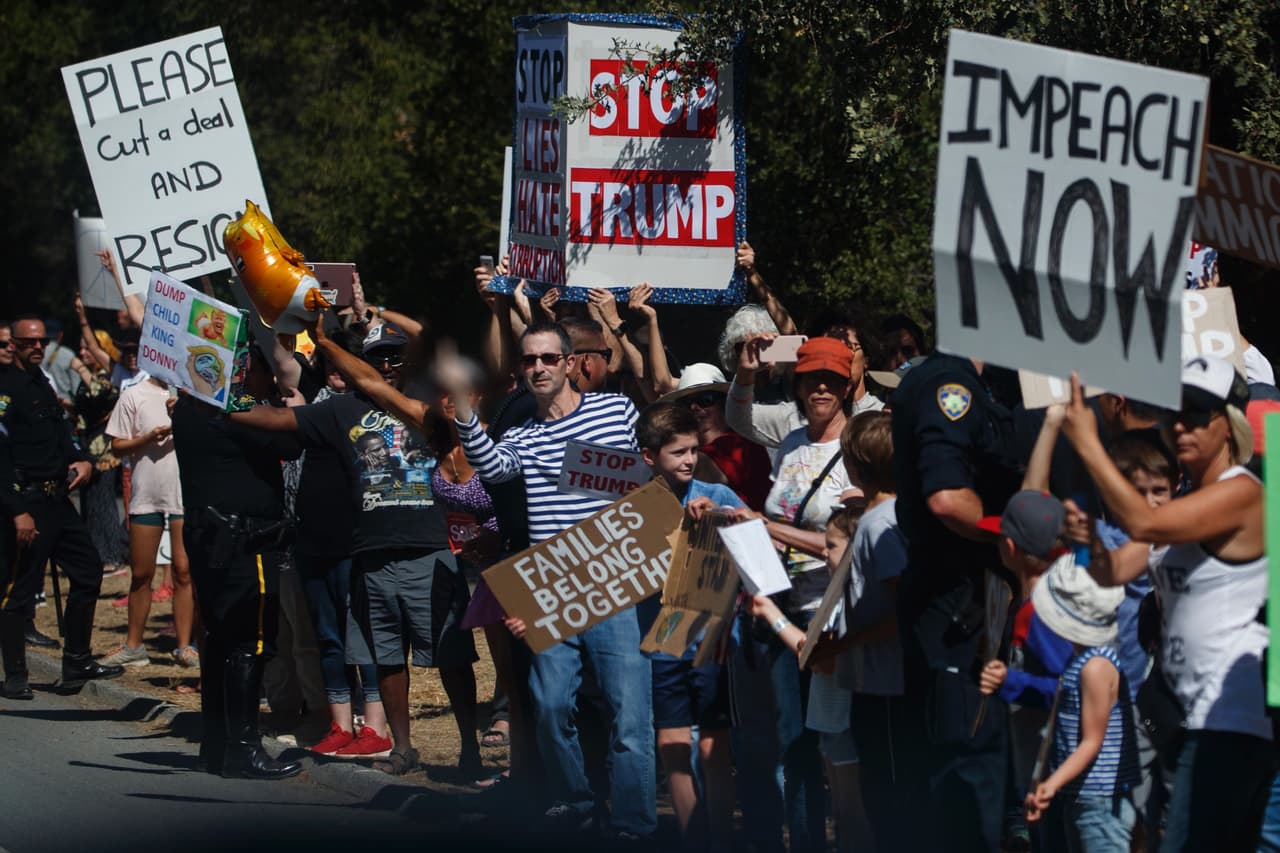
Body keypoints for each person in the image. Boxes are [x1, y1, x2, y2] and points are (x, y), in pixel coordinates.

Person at [438, 321, 655, 840]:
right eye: (529, 360)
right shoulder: (520, 436)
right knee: (551, 705)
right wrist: (465, 411)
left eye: (549, 359)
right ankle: (578, 799)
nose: (538, 368)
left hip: (613, 581)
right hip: (551, 588)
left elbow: (642, 477)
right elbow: (492, 466)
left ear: (570, 363)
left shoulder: (615, 410)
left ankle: (634, 826)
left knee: (630, 716)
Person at [233, 325, 481, 779]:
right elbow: (275, 419)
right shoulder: (341, 410)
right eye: (378, 357)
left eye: (395, 358)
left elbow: (421, 346)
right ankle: (402, 747)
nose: (387, 365)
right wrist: (217, 398)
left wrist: (325, 339)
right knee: (387, 658)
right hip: (370, 552)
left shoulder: (424, 410)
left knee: (452, 657)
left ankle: (471, 749)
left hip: (429, 549)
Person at [1060, 355, 1272, 851]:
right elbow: (1114, 570)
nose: (1181, 427)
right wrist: (1089, 535)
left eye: (1197, 415)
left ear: (1228, 425)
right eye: (1174, 412)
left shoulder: (1241, 492)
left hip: (1228, 719)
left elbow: (1145, 526)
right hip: (1181, 712)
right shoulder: (1185, 503)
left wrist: (1088, 442)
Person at [889, 350, 1022, 852]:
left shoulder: (990, 383)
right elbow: (948, 498)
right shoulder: (950, 385)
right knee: (969, 764)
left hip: (969, 592)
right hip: (957, 599)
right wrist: (1012, 538)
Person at [733, 336, 860, 853]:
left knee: (839, 748)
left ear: (849, 384)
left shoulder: (860, 448)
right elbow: (739, 418)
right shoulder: (789, 444)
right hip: (783, 609)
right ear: (799, 385)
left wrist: (767, 527)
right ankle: (806, 841)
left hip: (834, 619)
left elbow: (847, 543)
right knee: (794, 742)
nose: (821, 388)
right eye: (811, 379)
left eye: (831, 378)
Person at [171, 348, 304, 779]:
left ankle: (216, 743)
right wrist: (292, 403)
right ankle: (244, 748)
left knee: (221, 639)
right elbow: (289, 440)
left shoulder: (188, 405)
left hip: (209, 535)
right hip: (245, 539)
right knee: (251, 641)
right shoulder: (235, 405)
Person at [0, 316, 124, 698]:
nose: (37, 347)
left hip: (58, 498)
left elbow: (62, 437)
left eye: (42, 341)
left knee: (88, 571)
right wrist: (17, 509)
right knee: (19, 591)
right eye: (28, 342)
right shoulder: (6, 389)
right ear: (14, 345)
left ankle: (77, 660)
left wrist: (83, 458)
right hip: (27, 501)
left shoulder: (42, 383)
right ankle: (16, 675)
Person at [637, 402, 741, 853]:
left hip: (713, 643)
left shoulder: (718, 495)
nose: (688, 459)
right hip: (662, 645)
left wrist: (723, 521)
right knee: (674, 747)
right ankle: (692, 839)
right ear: (649, 456)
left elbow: (756, 543)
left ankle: (722, 837)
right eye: (677, 451)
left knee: (711, 750)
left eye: (693, 450)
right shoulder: (633, 510)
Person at [749, 507, 874, 853]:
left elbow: (821, 661)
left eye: (831, 546)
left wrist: (772, 616)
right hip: (830, 724)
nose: (823, 552)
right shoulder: (837, 595)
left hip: (845, 725)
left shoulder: (854, 598)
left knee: (852, 813)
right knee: (842, 813)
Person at [1019, 557, 1139, 853]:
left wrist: (1051, 783)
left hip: (1099, 802)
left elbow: (1091, 742)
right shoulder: (1079, 660)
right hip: (1080, 796)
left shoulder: (1095, 666)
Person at [100, 376, 195, 669]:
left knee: (184, 571)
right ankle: (134, 645)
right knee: (142, 572)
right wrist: (147, 438)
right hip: (147, 493)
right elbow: (117, 446)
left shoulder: (191, 395)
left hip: (183, 492)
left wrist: (182, 416)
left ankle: (184, 647)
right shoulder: (133, 394)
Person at [663, 363, 772, 510]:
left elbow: (701, 472)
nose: (694, 408)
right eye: (686, 403)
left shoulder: (739, 444)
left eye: (705, 399)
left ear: (724, 403)